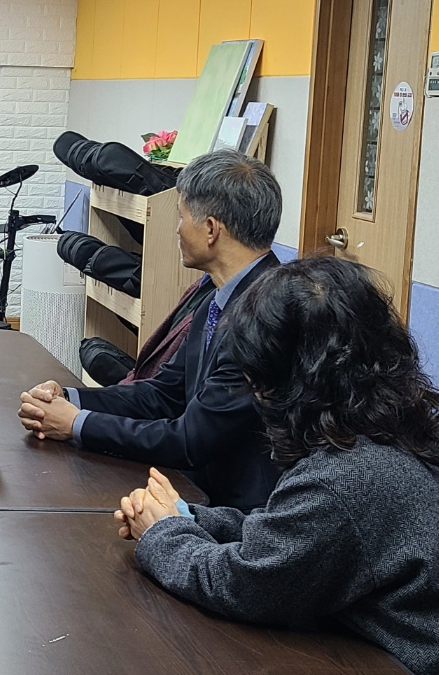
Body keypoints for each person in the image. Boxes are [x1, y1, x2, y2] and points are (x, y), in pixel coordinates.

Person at [115, 256, 439, 675]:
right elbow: (307, 535)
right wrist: (191, 518)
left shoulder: (344, 477)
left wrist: (163, 533)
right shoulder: (407, 429)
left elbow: (243, 584)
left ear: (290, 381)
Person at [17, 149, 282, 511]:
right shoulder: (216, 295)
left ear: (210, 229)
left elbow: (190, 440)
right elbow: (164, 393)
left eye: (182, 217)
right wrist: (69, 398)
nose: (177, 229)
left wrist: (77, 424)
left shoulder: (267, 316)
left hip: (240, 513)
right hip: (198, 489)